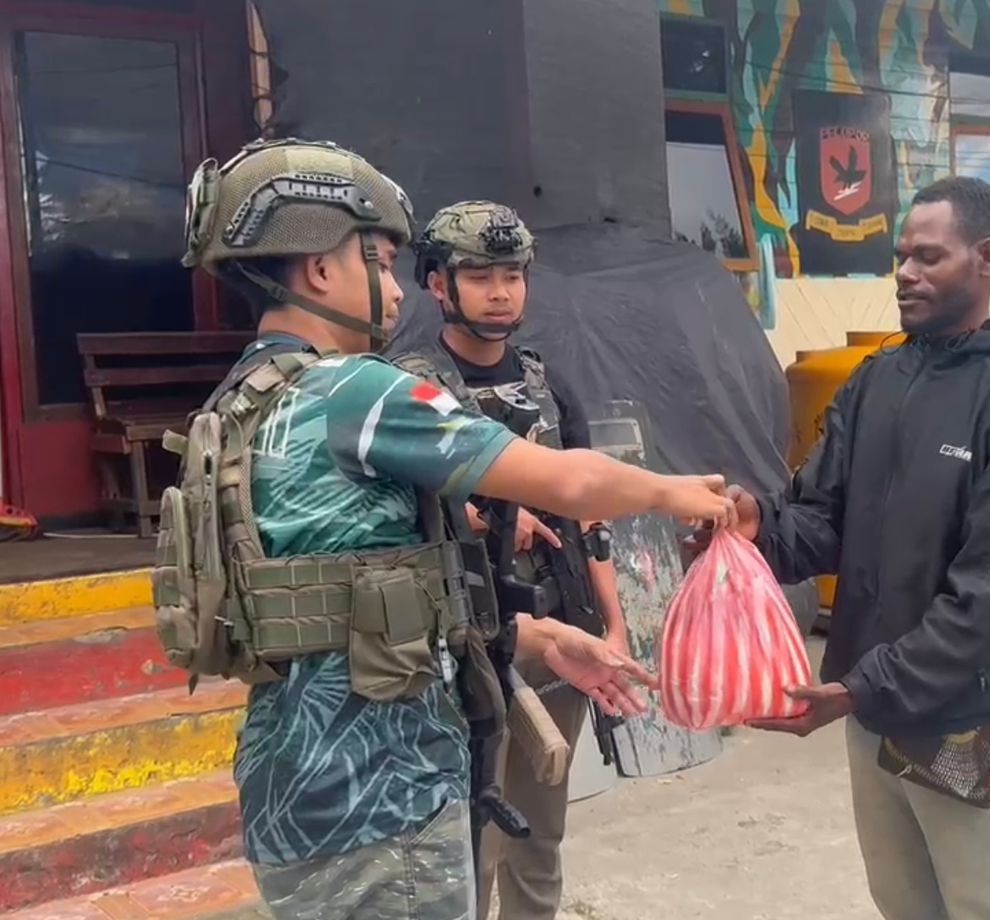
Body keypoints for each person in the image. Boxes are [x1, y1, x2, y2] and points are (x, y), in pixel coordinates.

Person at [178, 138, 734, 920]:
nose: (395, 292)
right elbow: (568, 481)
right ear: (320, 268)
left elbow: (341, 601)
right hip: (386, 793)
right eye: (379, 263)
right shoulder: (360, 393)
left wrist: (536, 636)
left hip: (292, 788)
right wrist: (674, 492)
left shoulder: (239, 404)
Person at [716, 176, 990, 920]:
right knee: (903, 901)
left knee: (983, 906)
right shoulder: (878, 380)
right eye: (901, 256)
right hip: (874, 704)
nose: (905, 273)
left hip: (963, 716)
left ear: (986, 260)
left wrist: (862, 687)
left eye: (928, 257)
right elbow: (823, 519)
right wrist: (756, 528)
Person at [391, 200, 640, 920]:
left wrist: (613, 626)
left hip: (560, 640)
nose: (500, 292)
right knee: (471, 845)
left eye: (512, 275)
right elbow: (397, 515)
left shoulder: (545, 384)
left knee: (541, 835)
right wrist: (488, 509)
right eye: (480, 276)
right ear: (438, 284)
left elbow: (589, 519)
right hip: (462, 647)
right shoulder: (410, 389)